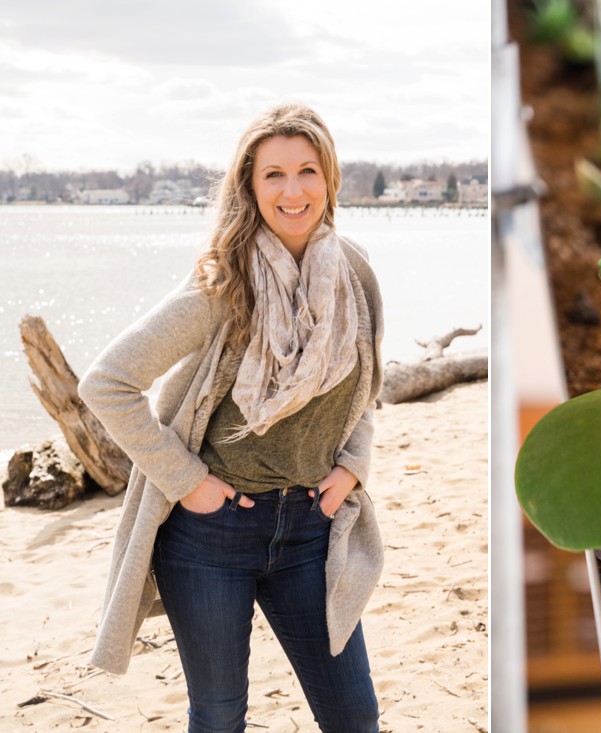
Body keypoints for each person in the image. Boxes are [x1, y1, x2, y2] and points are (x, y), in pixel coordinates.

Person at [78, 103, 384, 733]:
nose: (293, 190)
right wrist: (186, 481)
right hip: (211, 539)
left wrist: (352, 466)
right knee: (218, 716)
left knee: (355, 716)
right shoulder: (224, 281)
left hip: (309, 530)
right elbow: (108, 383)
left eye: (307, 171)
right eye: (273, 175)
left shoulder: (353, 273)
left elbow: (363, 385)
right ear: (249, 185)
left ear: (330, 178)